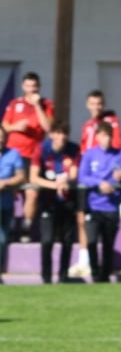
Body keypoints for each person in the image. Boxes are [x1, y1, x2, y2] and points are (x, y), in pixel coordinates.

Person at [78, 121, 121, 283]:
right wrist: (99, 183)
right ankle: (94, 273)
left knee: (108, 245)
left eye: (109, 136)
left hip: (112, 207)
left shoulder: (120, 155)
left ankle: (104, 277)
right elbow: (82, 177)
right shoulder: (90, 155)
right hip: (93, 206)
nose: (106, 139)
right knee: (91, 242)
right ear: (98, 137)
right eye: (103, 136)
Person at [71, 91, 121, 279]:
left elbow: (116, 148)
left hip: (102, 180)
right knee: (81, 219)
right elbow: (83, 151)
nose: (96, 107)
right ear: (87, 104)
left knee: (102, 226)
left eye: (99, 103)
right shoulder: (87, 126)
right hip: (88, 178)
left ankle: (101, 266)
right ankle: (84, 261)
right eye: (93, 103)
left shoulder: (110, 123)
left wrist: (112, 176)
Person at [2, 71, 54, 242]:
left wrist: (37, 105)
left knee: (32, 193)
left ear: (38, 87)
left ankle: (26, 228)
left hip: (34, 156)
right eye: (28, 86)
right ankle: (7, 228)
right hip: (13, 155)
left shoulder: (46, 104)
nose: (31, 89)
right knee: (8, 190)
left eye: (34, 86)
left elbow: (48, 128)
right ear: (23, 86)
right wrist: (16, 127)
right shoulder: (15, 103)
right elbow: (4, 126)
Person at [31, 120, 79, 284]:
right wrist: (53, 185)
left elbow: (74, 173)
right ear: (51, 134)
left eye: (64, 133)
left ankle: (63, 276)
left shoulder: (73, 149)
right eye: (58, 133)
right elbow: (33, 177)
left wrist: (66, 179)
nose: (62, 137)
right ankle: (46, 277)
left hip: (68, 201)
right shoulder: (41, 149)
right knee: (47, 240)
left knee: (67, 240)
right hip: (48, 202)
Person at [0, 126, 28, 282]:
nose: (0, 139)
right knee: (1, 239)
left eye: (2, 136)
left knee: (4, 238)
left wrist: (6, 182)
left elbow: (21, 177)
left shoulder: (13, 154)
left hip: (6, 204)